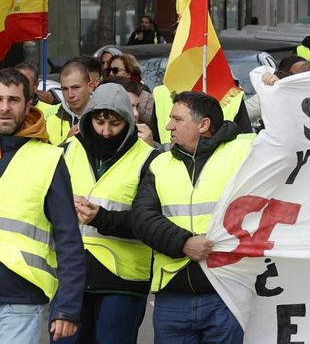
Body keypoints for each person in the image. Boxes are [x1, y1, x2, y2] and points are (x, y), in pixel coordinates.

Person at [132, 91, 254, 344]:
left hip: (227, 293)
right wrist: (184, 242)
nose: (168, 126)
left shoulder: (243, 153)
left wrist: (272, 87)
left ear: (204, 125)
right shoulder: (160, 164)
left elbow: (289, 143)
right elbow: (142, 218)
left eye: (177, 119)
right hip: (173, 297)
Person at [62, 83, 156, 344]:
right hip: (72, 276)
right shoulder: (67, 149)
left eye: (114, 123)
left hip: (123, 280)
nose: (105, 131)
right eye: (99, 122)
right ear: (89, 117)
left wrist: (100, 218)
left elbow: (150, 221)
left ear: (128, 119)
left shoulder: (149, 158)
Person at [0, 67, 84, 342]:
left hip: (19, 300)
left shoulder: (48, 159)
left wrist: (67, 308)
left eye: (13, 100)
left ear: (28, 104)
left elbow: (69, 239)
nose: (5, 108)